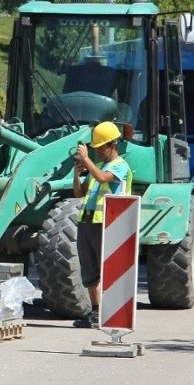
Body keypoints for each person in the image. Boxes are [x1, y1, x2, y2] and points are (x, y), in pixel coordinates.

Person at [72, 121, 132, 328]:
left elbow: (102, 178)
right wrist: (77, 173)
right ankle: (95, 312)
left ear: (113, 144)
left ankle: (112, 312)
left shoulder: (120, 166)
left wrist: (87, 159)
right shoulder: (97, 165)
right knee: (89, 269)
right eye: (95, 148)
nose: (97, 151)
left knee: (108, 269)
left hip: (108, 223)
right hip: (87, 221)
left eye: (100, 147)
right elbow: (79, 193)